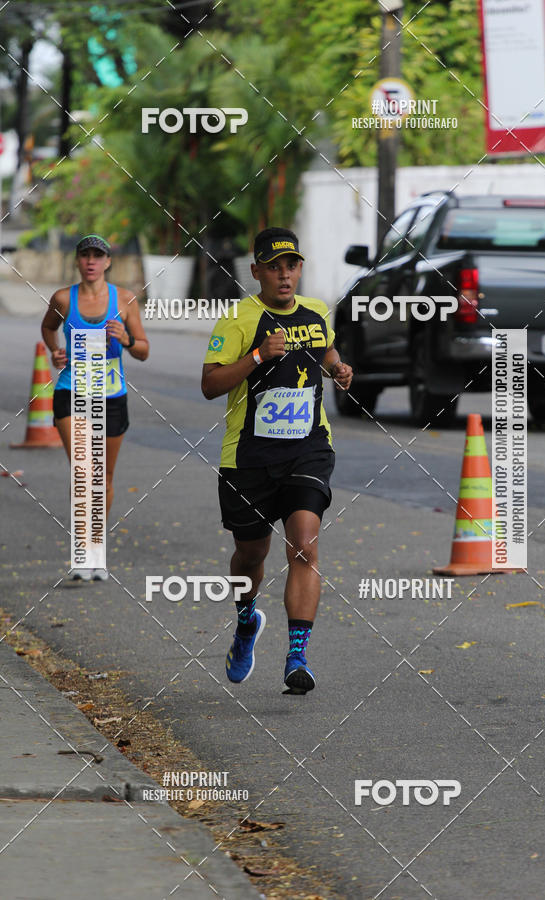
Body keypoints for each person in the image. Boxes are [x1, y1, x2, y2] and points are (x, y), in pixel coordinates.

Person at [201, 227, 352, 694]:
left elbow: (325, 348)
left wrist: (336, 367)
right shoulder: (238, 318)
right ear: (256, 272)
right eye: (273, 267)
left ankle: (297, 657)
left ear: (299, 269)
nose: (284, 275)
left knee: (304, 544)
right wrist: (256, 356)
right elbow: (210, 384)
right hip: (248, 457)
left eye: (291, 266)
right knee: (251, 553)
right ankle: (247, 620)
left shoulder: (317, 311)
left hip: (307, 448)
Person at [41, 234, 149, 581]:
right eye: (85, 255)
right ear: (77, 261)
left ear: (107, 262)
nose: (91, 261)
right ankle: (82, 550)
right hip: (71, 392)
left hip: (112, 396)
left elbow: (144, 350)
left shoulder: (125, 300)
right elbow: (48, 326)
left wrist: (126, 339)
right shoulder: (63, 298)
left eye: (97, 256)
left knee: (103, 476)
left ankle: (96, 548)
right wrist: (55, 351)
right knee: (83, 471)